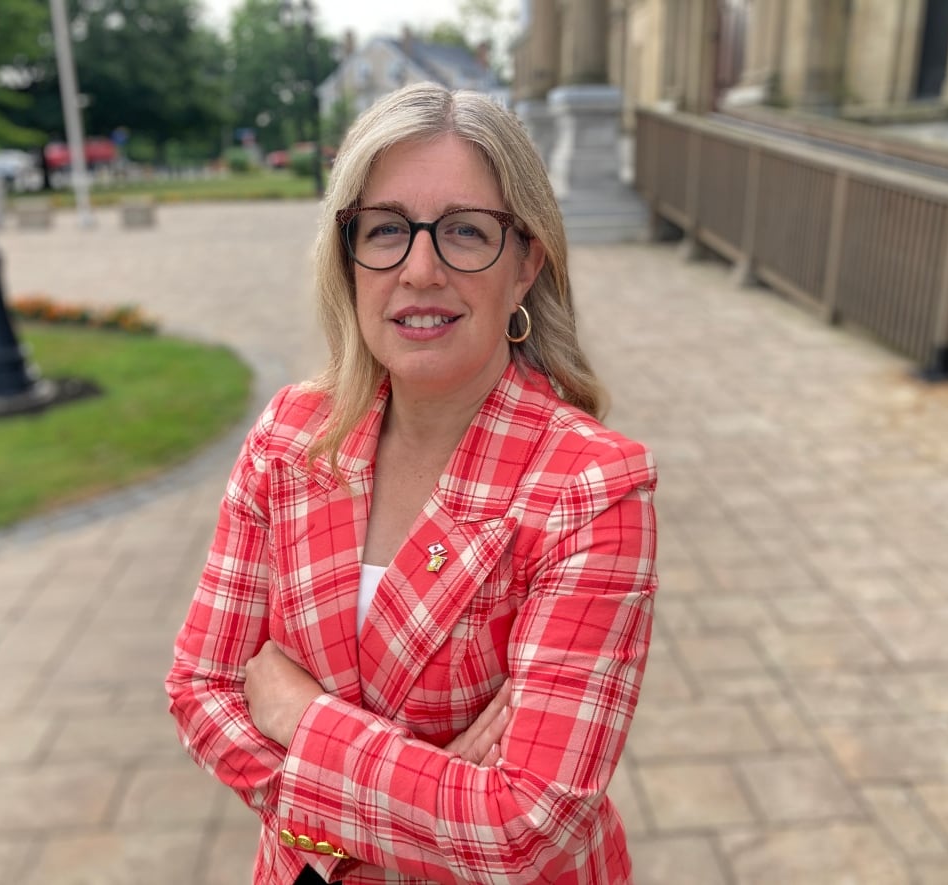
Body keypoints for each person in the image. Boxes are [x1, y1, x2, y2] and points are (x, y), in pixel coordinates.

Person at [165, 81, 658, 885]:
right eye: (387, 230)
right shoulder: (291, 436)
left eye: (465, 231)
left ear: (527, 260)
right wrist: (389, 819)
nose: (420, 269)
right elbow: (199, 686)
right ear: (348, 253)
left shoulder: (591, 489)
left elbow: (523, 830)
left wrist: (302, 717)